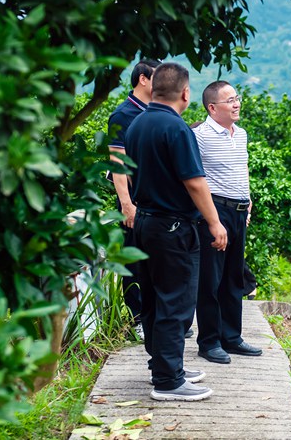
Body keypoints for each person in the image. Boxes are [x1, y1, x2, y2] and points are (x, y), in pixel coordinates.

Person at [125, 62, 228, 402]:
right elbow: (195, 182)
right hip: (172, 227)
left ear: (153, 89)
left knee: (154, 298)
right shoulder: (177, 128)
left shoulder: (137, 123)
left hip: (145, 222)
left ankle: (164, 366)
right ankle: (169, 382)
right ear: (185, 93)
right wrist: (214, 222)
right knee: (176, 303)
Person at [193, 81, 262, 365]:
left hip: (238, 211)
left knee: (234, 276)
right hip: (214, 212)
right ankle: (208, 342)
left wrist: (247, 200)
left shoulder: (241, 134)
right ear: (212, 108)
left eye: (237, 98)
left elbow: (241, 167)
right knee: (211, 279)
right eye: (230, 100)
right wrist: (209, 219)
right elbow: (192, 178)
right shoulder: (198, 135)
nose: (237, 104)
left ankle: (231, 338)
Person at [107, 58, 160, 336]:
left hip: (157, 201)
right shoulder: (122, 115)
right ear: (143, 79)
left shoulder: (158, 111)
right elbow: (117, 165)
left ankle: (156, 318)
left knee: (156, 260)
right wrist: (127, 205)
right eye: (157, 77)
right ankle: (138, 320)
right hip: (134, 201)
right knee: (135, 262)